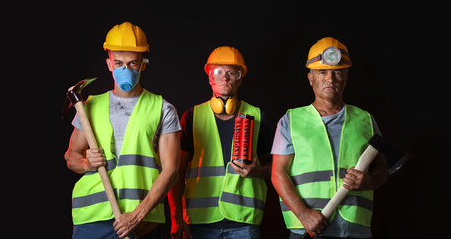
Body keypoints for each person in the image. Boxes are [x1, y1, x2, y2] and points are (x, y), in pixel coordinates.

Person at [64, 22, 181, 239]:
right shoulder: (89, 106)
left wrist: (137, 215)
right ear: (109, 64)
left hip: (140, 221)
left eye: (132, 64)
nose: (124, 70)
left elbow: (171, 170)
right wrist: (86, 163)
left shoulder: (162, 109)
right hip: (91, 219)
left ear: (143, 65)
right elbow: (71, 156)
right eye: (118, 63)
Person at [270, 37, 388, 239]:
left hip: (354, 229)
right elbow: (277, 174)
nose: (330, 79)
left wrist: (368, 181)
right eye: (322, 72)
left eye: (338, 72)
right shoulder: (291, 121)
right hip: (308, 229)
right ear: (310, 78)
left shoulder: (365, 120)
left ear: (346, 76)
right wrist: (303, 214)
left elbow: (382, 169)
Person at [168, 46, 274, 239]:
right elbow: (176, 172)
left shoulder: (257, 116)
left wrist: (258, 171)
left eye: (231, 73)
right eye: (218, 72)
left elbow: (276, 168)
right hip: (200, 223)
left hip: (244, 222)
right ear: (210, 77)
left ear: (240, 78)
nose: (224, 78)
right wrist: (176, 218)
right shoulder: (192, 117)